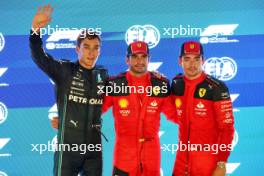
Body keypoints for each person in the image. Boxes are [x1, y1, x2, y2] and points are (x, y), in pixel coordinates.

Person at [30, 4, 108, 176]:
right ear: (77, 49)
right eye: (86, 47)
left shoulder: (103, 75)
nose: (91, 52)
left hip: (94, 151)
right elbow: (40, 58)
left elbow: (123, 89)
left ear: (100, 51)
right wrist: (35, 31)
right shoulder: (64, 70)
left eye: (96, 48)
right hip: (68, 151)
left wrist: (147, 73)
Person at [101, 41, 178, 176]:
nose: (139, 61)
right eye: (135, 57)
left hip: (151, 155)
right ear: (127, 60)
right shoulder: (115, 84)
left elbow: (175, 115)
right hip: (124, 155)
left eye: (143, 57)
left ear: (149, 59)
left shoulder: (160, 84)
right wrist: (68, 119)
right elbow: (95, 109)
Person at [171, 41, 235, 176]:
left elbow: (227, 128)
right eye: (187, 59)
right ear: (180, 61)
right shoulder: (177, 84)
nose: (192, 64)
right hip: (181, 161)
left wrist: (222, 163)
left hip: (207, 162)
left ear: (203, 60)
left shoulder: (217, 87)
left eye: (196, 59)